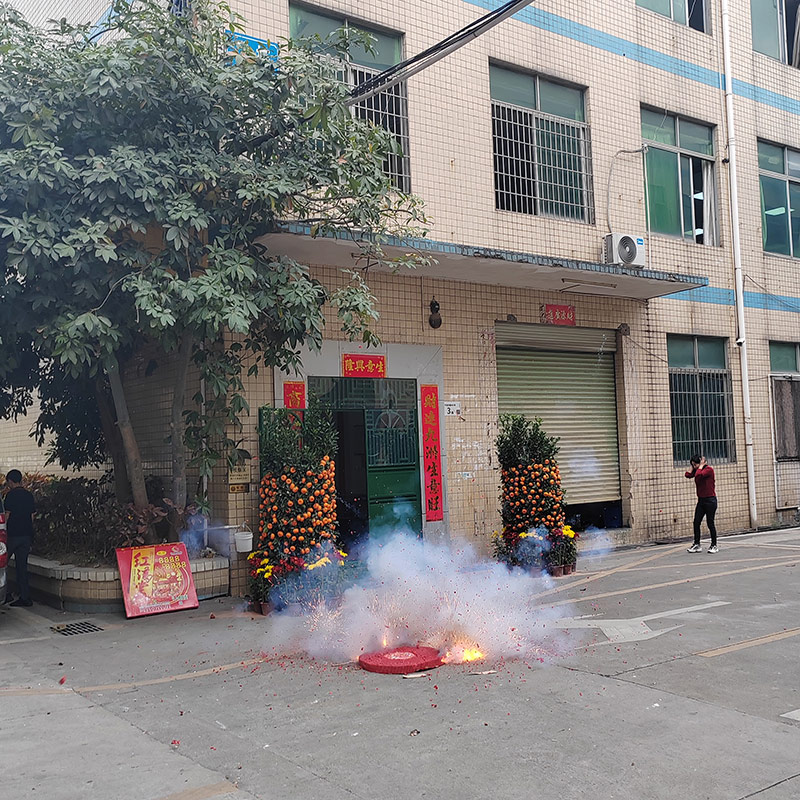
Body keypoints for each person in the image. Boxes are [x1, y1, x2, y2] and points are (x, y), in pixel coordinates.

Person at [3, 469, 35, 606]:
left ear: (10, 481)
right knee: (22, 568)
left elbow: (7, 516)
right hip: (26, 536)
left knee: (2, 564)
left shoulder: (10, 496)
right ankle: (25, 597)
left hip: (12, 536)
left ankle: (5, 594)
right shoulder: (29, 495)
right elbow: (32, 516)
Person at [685, 454, 718, 554]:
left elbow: (699, 475)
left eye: (695, 465)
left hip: (710, 500)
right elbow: (687, 475)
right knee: (696, 522)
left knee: (710, 523)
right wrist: (693, 466)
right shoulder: (697, 470)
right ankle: (697, 544)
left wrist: (700, 466)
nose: (694, 467)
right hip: (701, 501)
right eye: (693, 465)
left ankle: (714, 545)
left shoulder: (708, 470)